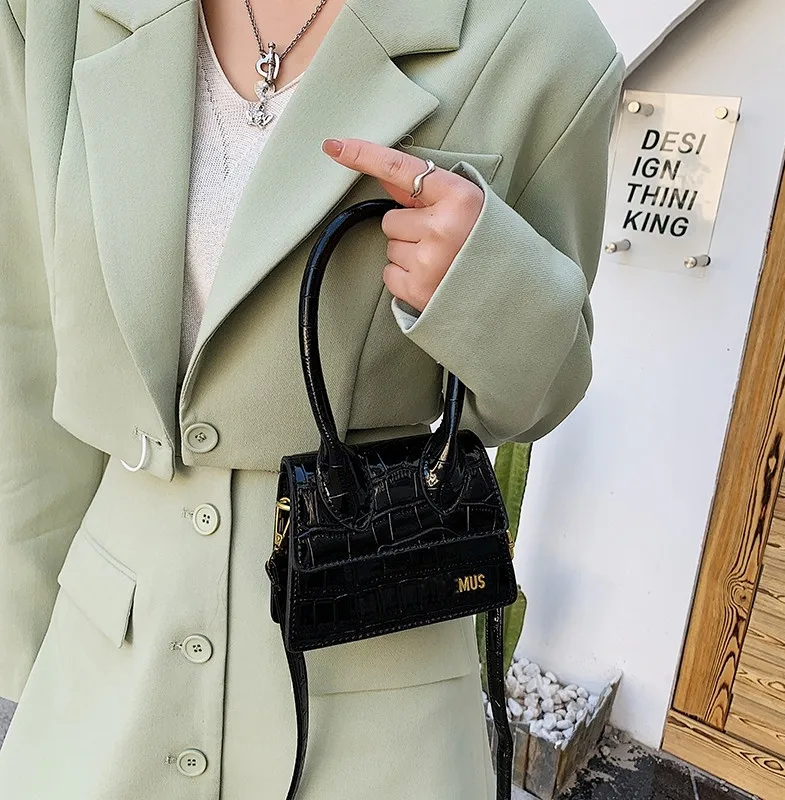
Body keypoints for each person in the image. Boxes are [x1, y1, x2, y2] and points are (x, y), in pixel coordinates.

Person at [0, 0, 624, 797]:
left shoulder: (544, 41)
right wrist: (25, 654)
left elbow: (540, 396)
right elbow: (24, 342)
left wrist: (481, 282)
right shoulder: (50, 13)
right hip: (102, 668)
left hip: (377, 691)